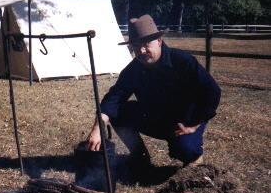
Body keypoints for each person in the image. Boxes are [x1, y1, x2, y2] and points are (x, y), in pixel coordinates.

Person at [87, 14, 221, 168]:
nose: (142, 50)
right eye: (136, 46)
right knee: (118, 112)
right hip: (155, 118)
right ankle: (139, 155)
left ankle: (194, 159)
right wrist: (98, 128)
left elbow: (212, 91)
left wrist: (196, 122)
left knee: (185, 149)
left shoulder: (183, 61)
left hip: (184, 122)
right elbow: (113, 99)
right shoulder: (133, 69)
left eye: (146, 44)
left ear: (159, 41)